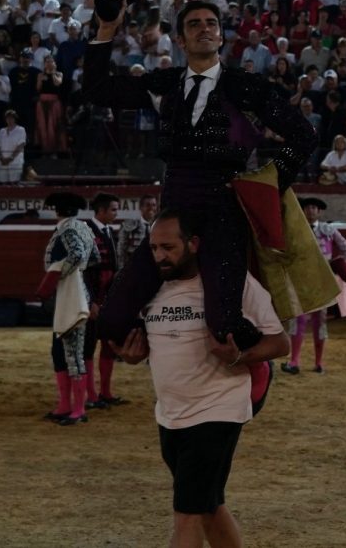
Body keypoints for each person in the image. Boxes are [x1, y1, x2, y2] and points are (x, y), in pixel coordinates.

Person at [83, 0, 315, 406]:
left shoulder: (249, 88)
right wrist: (106, 30)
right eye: (194, 25)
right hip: (173, 212)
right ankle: (157, 348)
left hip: (224, 212)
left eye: (211, 23)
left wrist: (262, 185)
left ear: (221, 35)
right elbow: (98, 89)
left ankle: (259, 367)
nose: (204, 29)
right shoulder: (165, 83)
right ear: (180, 38)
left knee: (223, 322)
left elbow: (303, 136)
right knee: (112, 319)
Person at [109, 209, 289, 548]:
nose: (160, 256)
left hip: (218, 408)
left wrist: (238, 356)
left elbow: (280, 343)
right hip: (170, 413)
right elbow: (150, 346)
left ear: (193, 243)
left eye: (168, 247)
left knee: (186, 513)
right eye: (153, 248)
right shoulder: (150, 289)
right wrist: (132, 357)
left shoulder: (231, 284)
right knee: (208, 505)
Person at [36, 192, 99, 426]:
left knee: (73, 352)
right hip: (74, 292)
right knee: (59, 349)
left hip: (71, 295)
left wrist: (59, 273)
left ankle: (79, 409)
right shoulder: (84, 228)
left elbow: (79, 254)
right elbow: (92, 258)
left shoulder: (66, 229)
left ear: (57, 210)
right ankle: (65, 405)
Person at [282, 198, 346, 375]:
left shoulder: (328, 230)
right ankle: (294, 361)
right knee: (299, 320)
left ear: (319, 211)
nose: (311, 211)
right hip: (302, 279)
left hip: (322, 280)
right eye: (307, 208)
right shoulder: (296, 230)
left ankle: (318, 363)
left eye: (314, 208)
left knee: (320, 321)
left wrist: (337, 266)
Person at [83, 192, 124, 409]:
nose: (117, 213)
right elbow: (85, 271)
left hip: (108, 298)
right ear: (101, 210)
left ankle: (105, 392)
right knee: (88, 347)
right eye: (114, 209)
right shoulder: (87, 231)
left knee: (108, 344)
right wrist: (91, 301)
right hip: (94, 300)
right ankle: (91, 395)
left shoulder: (109, 231)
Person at [117, 194, 159, 268]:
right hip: (135, 265)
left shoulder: (159, 225)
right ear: (141, 207)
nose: (151, 208)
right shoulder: (129, 225)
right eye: (148, 205)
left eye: (154, 205)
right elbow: (121, 249)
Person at [0, 109, 25, 183]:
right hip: (3, 162)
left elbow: (21, 145)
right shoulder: (2, 131)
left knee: (14, 184)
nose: (9, 119)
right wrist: (1, 158)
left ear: (15, 119)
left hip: (15, 162)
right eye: (7, 118)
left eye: (11, 118)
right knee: (3, 183)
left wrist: (11, 158)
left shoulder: (21, 130)